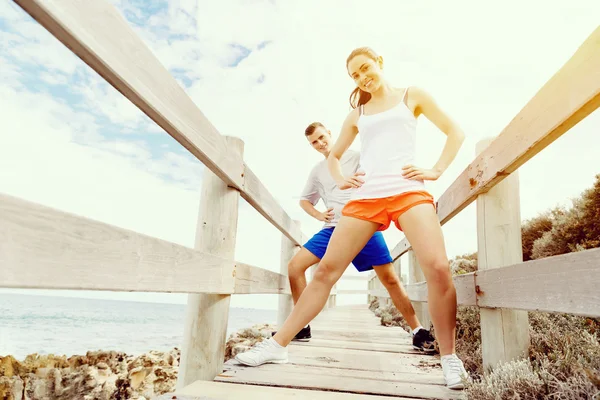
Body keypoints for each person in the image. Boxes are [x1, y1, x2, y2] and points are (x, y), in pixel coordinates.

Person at [235, 47, 468, 390]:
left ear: (380, 62)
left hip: (407, 191)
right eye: (355, 75)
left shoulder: (411, 95)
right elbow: (335, 156)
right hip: (367, 198)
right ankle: (277, 346)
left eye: (365, 68)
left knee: (437, 267)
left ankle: (449, 358)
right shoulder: (357, 113)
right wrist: (342, 179)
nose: (362, 77)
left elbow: (455, 131)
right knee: (326, 270)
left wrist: (436, 169)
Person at [268, 121, 435, 353]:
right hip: (332, 228)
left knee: (390, 279)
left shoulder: (359, 157)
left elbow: (386, 171)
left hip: (364, 223)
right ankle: (301, 326)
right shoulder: (317, 171)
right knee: (295, 267)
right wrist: (318, 214)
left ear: (330, 133)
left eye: (321, 137)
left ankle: (417, 330)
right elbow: (305, 200)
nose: (319, 144)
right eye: (314, 142)